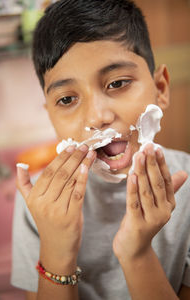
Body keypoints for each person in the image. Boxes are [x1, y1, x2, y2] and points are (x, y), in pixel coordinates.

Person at [11, 1, 190, 299]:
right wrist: (56, 250)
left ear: (160, 88)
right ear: (50, 117)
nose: (97, 117)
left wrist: (136, 254)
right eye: (67, 100)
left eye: (117, 83)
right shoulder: (40, 200)